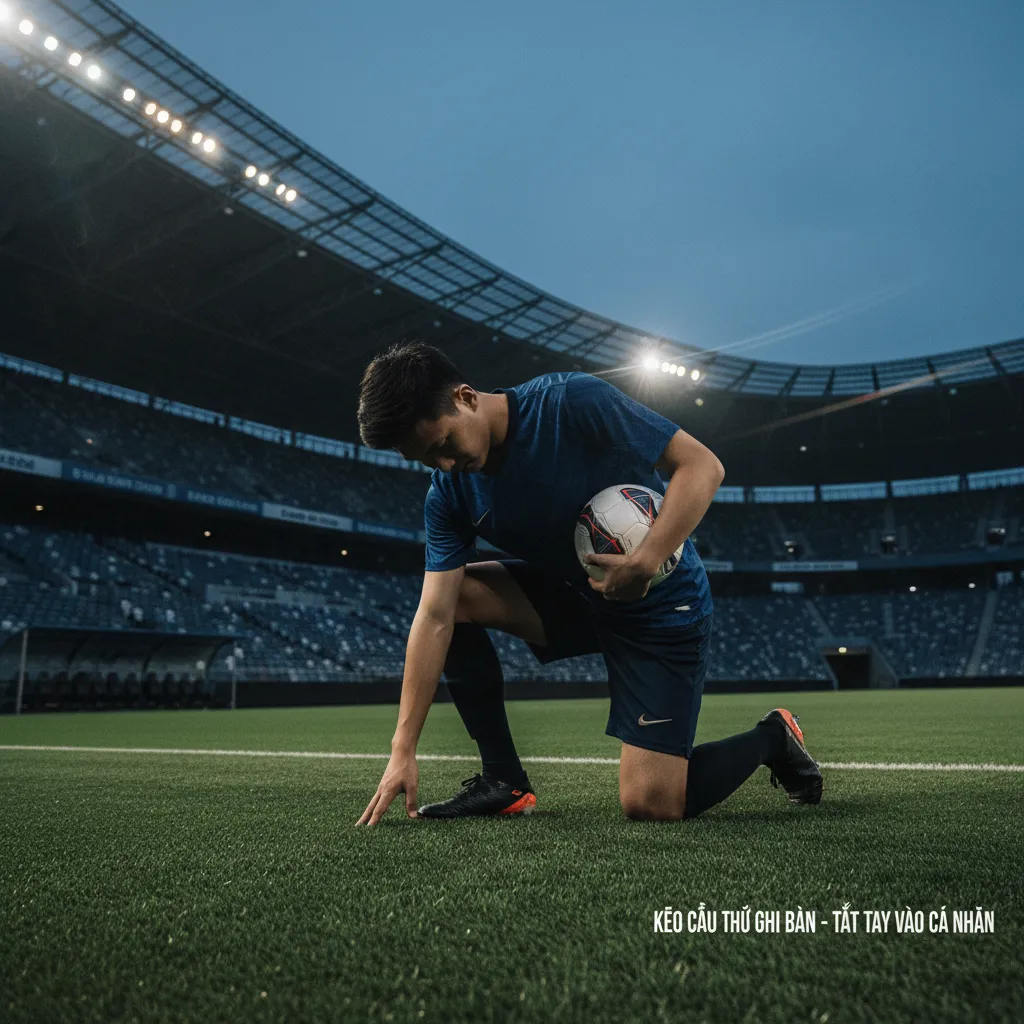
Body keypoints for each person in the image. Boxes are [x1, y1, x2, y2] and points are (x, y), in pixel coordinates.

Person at [354, 342, 821, 826]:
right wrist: (403, 748)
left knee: (652, 805)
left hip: (659, 607)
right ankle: (503, 780)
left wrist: (647, 560)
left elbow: (702, 466)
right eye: (429, 461)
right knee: (456, 599)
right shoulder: (449, 495)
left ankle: (774, 737)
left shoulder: (570, 402)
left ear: (466, 397)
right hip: (577, 598)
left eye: (444, 445)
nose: (446, 466)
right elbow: (432, 616)